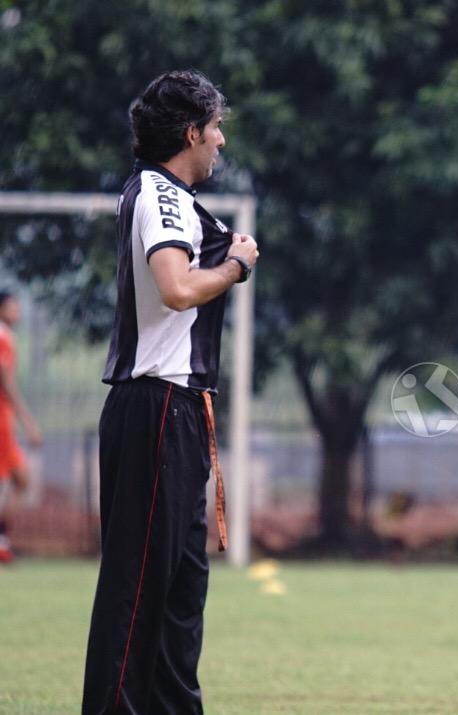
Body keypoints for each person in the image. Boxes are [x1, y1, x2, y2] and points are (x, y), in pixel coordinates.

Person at [82, 69, 259, 714]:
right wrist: (237, 265)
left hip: (180, 412)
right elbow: (177, 287)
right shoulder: (162, 196)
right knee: (136, 595)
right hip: (155, 408)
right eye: (215, 130)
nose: (220, 143)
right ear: (191, 133)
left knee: (181, 594)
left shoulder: (170, 196)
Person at [0, 289, 43, 563]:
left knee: (18, 479)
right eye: (13, 306)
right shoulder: (3, 336)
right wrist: (29, 422)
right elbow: (6, 381)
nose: (18, 311)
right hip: (2, 418)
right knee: (21, 479)